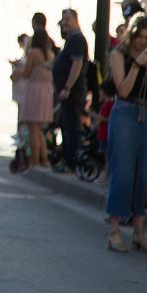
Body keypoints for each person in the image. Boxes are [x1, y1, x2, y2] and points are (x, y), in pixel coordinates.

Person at [104, 14, 147, 253]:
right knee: (123, 172)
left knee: (141, 173)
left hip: (144, 112)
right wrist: (138, 64)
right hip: (125, 112)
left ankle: (139, 232)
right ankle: (114, 231)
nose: (142, 42)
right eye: (139, 37)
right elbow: (124, 89)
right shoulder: (119, 55)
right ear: (131, 35)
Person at [53, 9, 89, 173]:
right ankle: (68, 159)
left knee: (72, 126)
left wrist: (67, 87)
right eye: (63, 19)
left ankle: (71, 161)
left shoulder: (77, 39)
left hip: (72, 92)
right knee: (66, 125)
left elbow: (77, 64)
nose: (64, 22)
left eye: (68, 19)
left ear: (75, 19)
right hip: (67, 91)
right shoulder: (71, 39)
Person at [21, 28, 55, 167]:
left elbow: (27, 73)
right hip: (46, 91)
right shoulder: (50, 54)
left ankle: (35, 160)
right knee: (40, 130)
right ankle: (44, 158)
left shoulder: (33, 53)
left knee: (33, 128)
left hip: (34, 90)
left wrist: (19, 68)